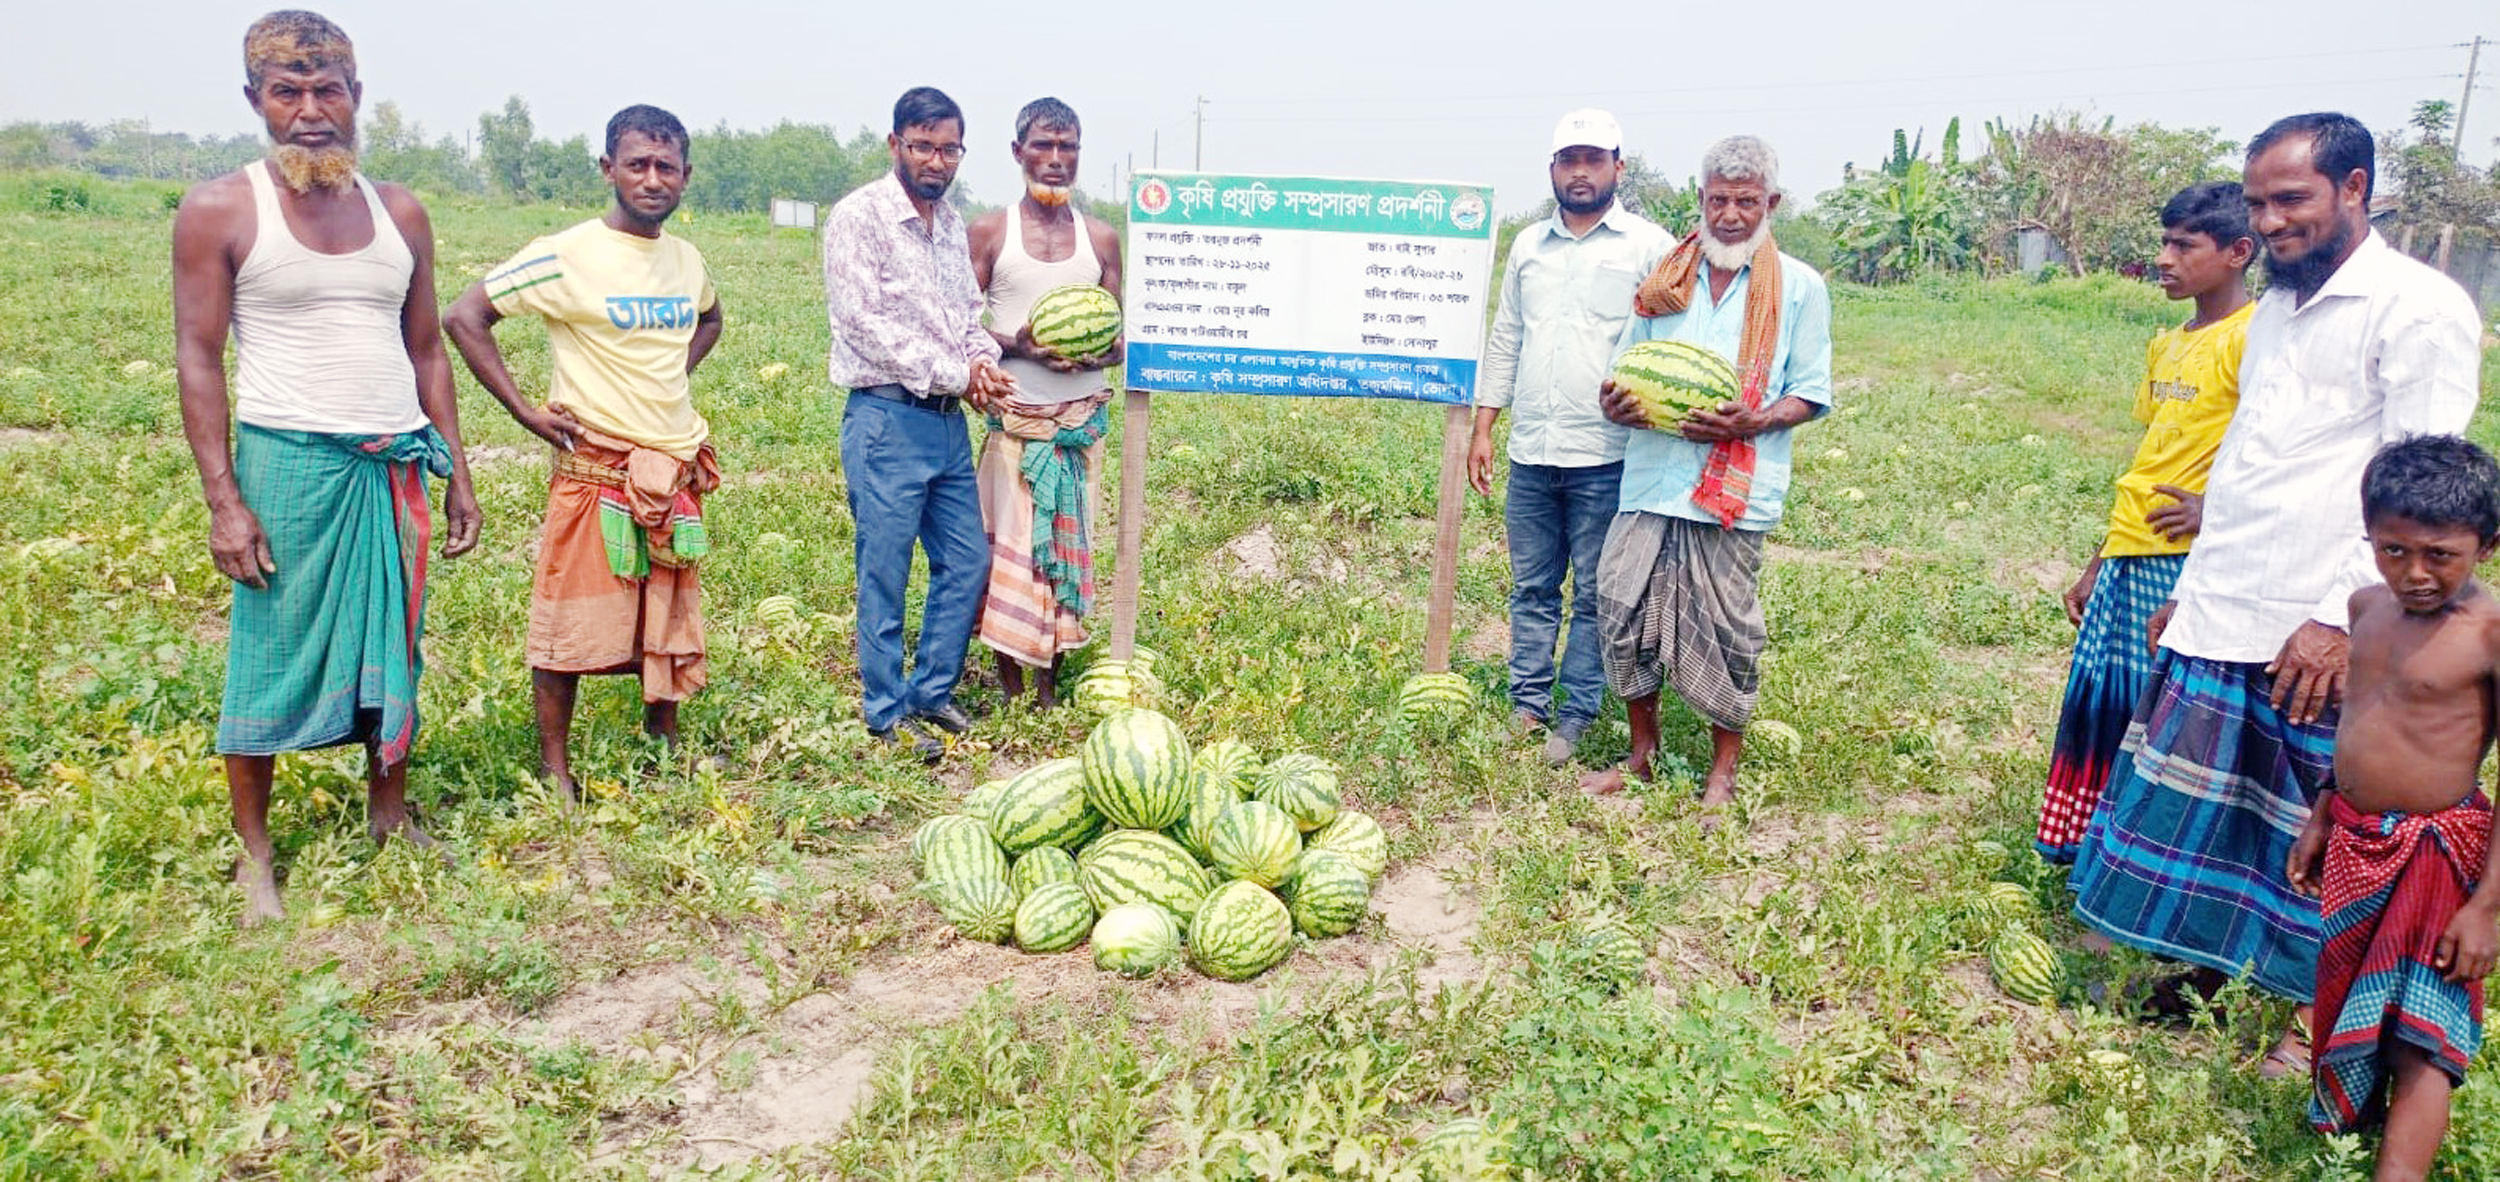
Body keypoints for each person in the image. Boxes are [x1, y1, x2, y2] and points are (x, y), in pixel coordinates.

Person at [2070, 113, 2483, 1076]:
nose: (2273, 221)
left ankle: (2318, 1022)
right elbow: (2252, 462)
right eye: (2258, 203)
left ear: (2355, 189)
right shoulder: (2278, 310)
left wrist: (2346, 617)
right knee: (2215, 814)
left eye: (2291, 198)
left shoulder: (2417, 308)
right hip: (2230, 601)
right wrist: (2200, 590)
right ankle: (2207, 975)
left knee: (2326, 832)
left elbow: (2417, 484)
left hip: (2324, 618)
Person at [172, 10, 480, 925]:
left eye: (327, 89)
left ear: (356, 94)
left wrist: (457, 471)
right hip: (288, 464)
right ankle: (255, 855)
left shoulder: (401, 211)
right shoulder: (222, 209)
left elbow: (427, 351)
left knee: (395, 642)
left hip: (389, 465)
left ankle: (389, 815)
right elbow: (198, 356)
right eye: (287, 92)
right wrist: (225, 501)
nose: (311, 110)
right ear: (255, 101)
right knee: (267, 653)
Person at [442, 104, 724, 801]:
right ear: (609, 169)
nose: (653, 179)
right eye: (638, 164)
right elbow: (464, 315)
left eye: (667, 167)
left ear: (685, 176)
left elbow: (711, 316)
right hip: (595, 467)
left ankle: (663, 742)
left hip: (669, 466)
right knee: (569, 619)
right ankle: (556, 768)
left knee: (664, 608)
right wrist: (525, 411)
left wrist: (666, 378)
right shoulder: (567, 252)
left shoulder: (685, 259)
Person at [1578, 135, 1832, 809]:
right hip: (1653, 478)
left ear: (1770, 204)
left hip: (1732, 490)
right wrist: (1616, 402)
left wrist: (1755, 420)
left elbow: (1809, 391)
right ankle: (1643, 754)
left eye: (1746, 202)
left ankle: (1722, 770)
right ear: (1701, 199)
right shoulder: (1668, 280)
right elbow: (1629, 368)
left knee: (1728, 629)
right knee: (1619, 607)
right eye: (1718, 200)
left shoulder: (1800, 288)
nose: (1729, 215)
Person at [2287, 435, 2500, 1181]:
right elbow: (2361, 724)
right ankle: (2354, 1130)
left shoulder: (2489, 635)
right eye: (2393, 549)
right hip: (2355, 840)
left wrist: (2487, 909)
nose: (2414, 573)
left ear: (2487, 546)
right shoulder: (2364, 607)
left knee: (2423, 1033)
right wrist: (2323, 811)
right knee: (2353, 999)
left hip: (2439, 856)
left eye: (2440, 555)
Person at [2035, 183, 2254, 863]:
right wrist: (2099, 559)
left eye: (2184, 245)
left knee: (2163, 715)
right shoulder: (2168, 344)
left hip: (2188, 559)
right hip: (2133, 550)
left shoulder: (2252, 340)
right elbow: (2152, 453)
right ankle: (2098, 847)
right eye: (2164, 241)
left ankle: (2144, 855)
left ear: (2239, 252)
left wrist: (2216, 511)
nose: (2164, 257)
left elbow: (2272, 454)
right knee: (2111, 701)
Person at [1467, 109, 1670, 766]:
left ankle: (1576, 713)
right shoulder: (1529, 246)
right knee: (1530, 588)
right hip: (1532, 452)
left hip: (1605, 456)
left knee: (1593, 592)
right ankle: (1528, 706)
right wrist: (1485, 426)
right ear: (1553, 169)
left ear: (1618, 166)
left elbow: (1674, 342)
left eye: (1592, 159)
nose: (1579, 172)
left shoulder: (1648, 246)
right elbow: (1507, 337)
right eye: (1568, 160)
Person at [824, 87, 1016, 760]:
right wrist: (959, 375)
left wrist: (982, 363)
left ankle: (933, 689)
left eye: (949, 148)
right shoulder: (861, 218)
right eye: (923, 145)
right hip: (886, 417)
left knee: (966, 559)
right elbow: (863, 326)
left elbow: (966, 315)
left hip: (944, 427)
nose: (937, 160)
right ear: (895, 145)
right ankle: (884, 709)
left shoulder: (951, 225)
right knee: (884, 569)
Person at [966, 97, 1122, 709]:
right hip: (1015, 429)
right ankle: (1009, 686)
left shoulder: (1101, 239)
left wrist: (1094, 355)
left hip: (1078, 432)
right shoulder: (991, 232)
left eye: (1068, 148)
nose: (1056, 161)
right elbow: (958, 323)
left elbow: (1115, 337)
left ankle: (1049, 686)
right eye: (1043, 147)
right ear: (1017, 152)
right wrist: (1021, 346)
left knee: (1061, 551)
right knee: (1012, 555)